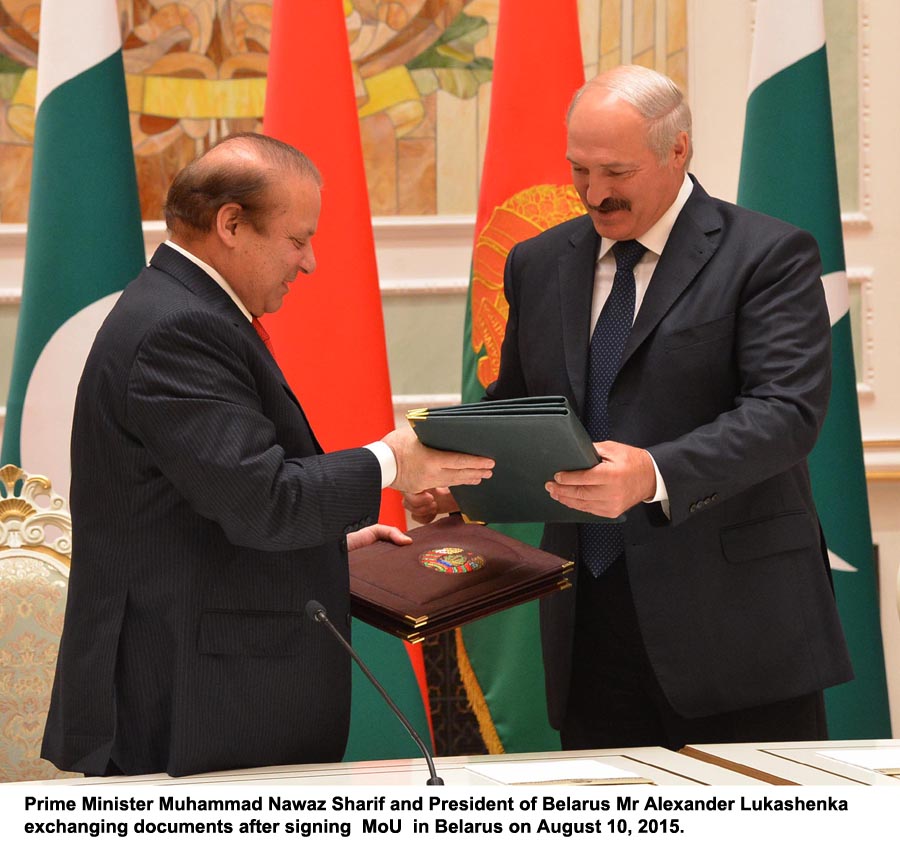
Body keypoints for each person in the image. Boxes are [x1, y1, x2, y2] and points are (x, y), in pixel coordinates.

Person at [407, 65, 853, 750]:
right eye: (579, 170)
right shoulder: (538, 261)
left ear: (678, 151)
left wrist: (651, 473)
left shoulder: (766, 254)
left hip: (736, 627)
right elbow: (523, 409)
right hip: (591, 622)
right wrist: (459, 483)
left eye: (616, 171)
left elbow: (784, 415)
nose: (594, 194)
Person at [40, 133, 493, 777]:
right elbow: (263, 501)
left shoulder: (185, 310)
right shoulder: (180, 327)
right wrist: (392, 461)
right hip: (190, 704)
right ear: (230, 224)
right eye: (297, 238)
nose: (308, 262)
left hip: (203, 690)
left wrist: (323, 546)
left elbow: (208, 501)